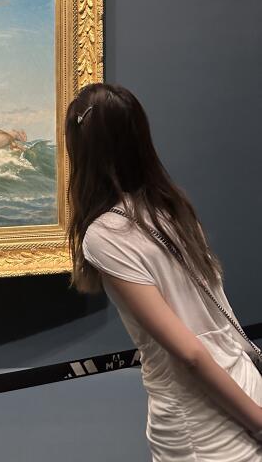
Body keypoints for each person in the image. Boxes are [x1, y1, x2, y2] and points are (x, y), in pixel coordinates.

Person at [65, 83, 262, 461]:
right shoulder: (171, 208)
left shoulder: (104, 235)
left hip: (201, 420)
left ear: (81, 150)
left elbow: (190, 353)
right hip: (243, 386)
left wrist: (257, 422)